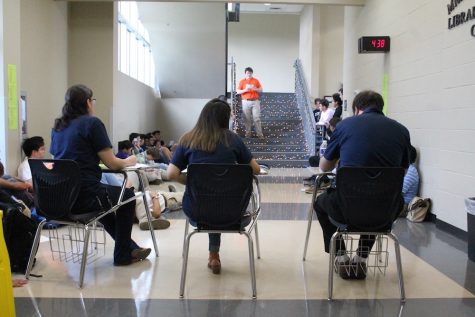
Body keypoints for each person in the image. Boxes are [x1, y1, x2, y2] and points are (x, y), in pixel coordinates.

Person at [313, 90, 411, 279]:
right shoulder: (401, 130)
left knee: (320, 203)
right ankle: (360, 259)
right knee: (377, 198)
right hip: (388, 211)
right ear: (380, 108)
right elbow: (403, 171)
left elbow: (324, 167)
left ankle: (341, 257)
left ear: (357, 109)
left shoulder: (344, 126)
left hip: (346, 209)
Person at [50, 84, 150, 266]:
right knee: (127, 197)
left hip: (59, 198)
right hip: (84, 195)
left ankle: (130, 247)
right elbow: (112, 162)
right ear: (88, 102)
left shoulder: (58, 127)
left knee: (107, 205)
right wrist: (129, 160)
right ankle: (122, 256)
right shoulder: (92, 123)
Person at [167, 98, 260, 274]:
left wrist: (192, 181)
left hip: (196, 211)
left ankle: (214, 256)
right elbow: (254, 169)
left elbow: (171, 174)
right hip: (232, 212)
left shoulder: (187, 139)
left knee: (208, 200)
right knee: (219, 200)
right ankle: (214, 255)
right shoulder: (233, 140)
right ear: (226, 119)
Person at [237, 67, 264, 138]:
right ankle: (248, 134)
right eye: (247, 73)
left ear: (252, 73)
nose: (249, 74)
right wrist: (245, 89)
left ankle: (260, 135)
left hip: (255, 101)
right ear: (245, 73)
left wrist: (255, 88)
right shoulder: (242, 81)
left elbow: (261, 90)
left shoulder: (256, 80)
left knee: (257, 118)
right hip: (245, 101)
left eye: (250, 73)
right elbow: (238, 91)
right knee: (247, 119)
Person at [401, 145, 420, 216]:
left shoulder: (411, 171)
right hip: (401, 203)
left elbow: (399, 192)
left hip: (404, 205)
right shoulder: (408, 169)